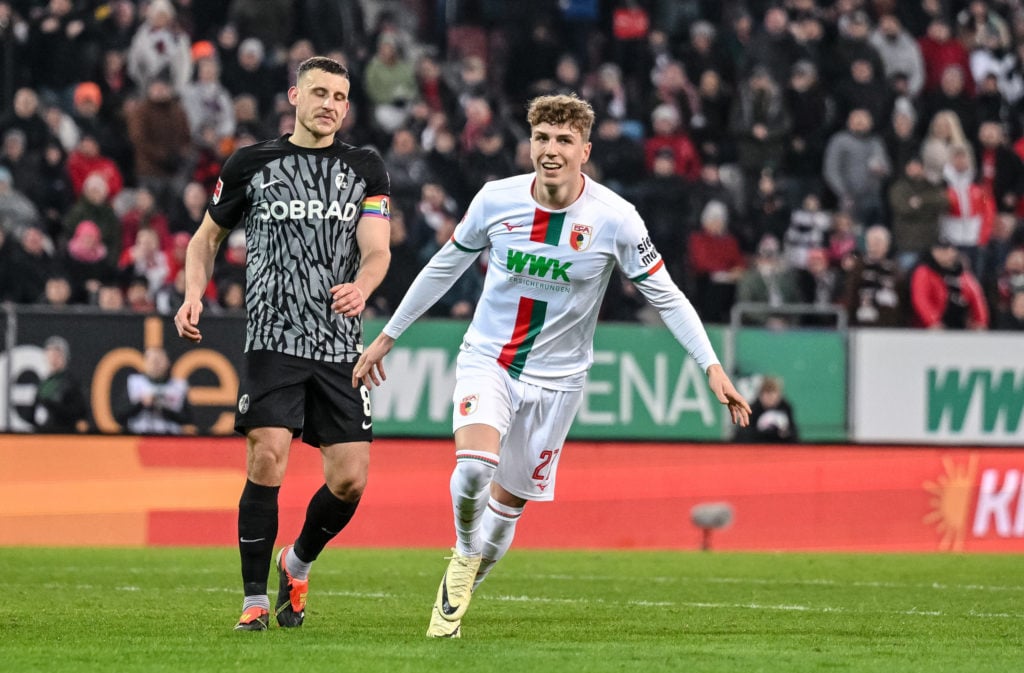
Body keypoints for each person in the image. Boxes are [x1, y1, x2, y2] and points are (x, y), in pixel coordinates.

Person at [351, 93, 750, 639]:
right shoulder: (496, 200)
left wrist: (711, 365)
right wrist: (389, 335)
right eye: (542, 138)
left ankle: (468, 571)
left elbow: (668, 296)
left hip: (558, 383)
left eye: (564, 140)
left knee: (507, 512)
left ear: (585, 150)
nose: (551, 150)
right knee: (473, 469)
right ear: (529, 143)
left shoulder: (616, 220)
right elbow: (444, 266)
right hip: (489, 358)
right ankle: (462, 556)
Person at [173, 56, 391, 632]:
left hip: (341, 343)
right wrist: (195, 292)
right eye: (319, 93)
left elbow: (377, 249)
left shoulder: (365, 167)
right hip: (274, 336)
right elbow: (205, 239)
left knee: (350, 480)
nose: (330, 105)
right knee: (267, 454)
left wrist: (363, 287)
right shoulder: (252, 163)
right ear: (294, 95)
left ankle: (295, 563)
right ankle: (253, 599)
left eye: (340, 97)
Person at [115, 346, 191, 434]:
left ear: (168, 362)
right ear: (145, 363)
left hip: (169, 439)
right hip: (139, 438)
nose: (155, 364)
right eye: (152, 361)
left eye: (159, 361)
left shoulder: (178, 386)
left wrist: (161, 406)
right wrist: (142, 403)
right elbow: (120, 416)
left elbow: (187, 418)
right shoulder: (134, 383)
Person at [31, 336, 89, 434]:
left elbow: (80, 412)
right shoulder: (44, 383)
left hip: (64, 434)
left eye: (57, 355)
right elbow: (33, 411)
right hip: (44, 434)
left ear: (65, 357)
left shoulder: (71, 382)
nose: (54, 359)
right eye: (51, 354)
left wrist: (53, 406)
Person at [733, 375, 799, 444]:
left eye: (773, 393)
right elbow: (743, 434)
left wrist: (785, 434)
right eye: (767, 393)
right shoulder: (753, 409)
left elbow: (794, 433)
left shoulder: (786, 408)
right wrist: (763, 434)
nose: (770, 397)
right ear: (760, 395)